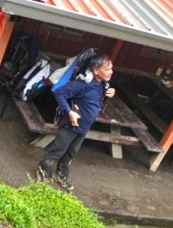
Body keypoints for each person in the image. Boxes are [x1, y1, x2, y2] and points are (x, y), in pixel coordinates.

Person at [35, 54, 115, 192]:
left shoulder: (102, 85)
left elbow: (95, 102)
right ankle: (42, 171)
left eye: (111, 69)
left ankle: (61, 175)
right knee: (57, 150)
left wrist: (109, 95)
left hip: (83, 128)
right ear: (95, 71)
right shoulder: (82, 84)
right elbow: (59, 93)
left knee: (71, 152)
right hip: (70, 126)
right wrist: (70, 112)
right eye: (107, 69)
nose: (111, 72)